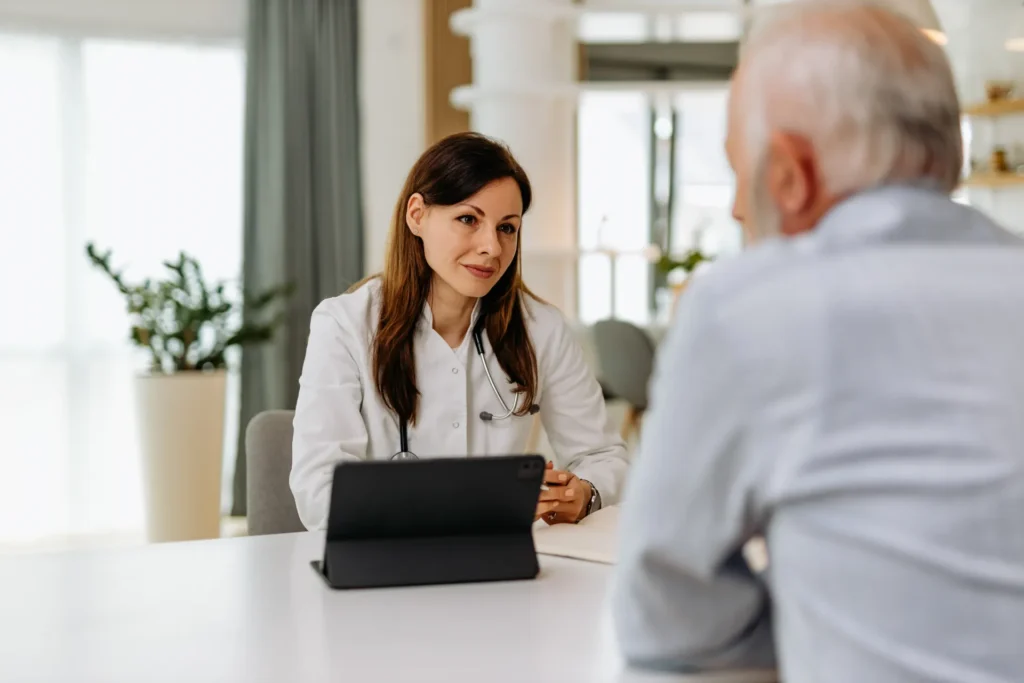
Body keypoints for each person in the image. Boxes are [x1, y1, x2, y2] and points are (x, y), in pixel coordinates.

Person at [613, 1, 1024, 681]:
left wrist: (823, 623)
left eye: (739, 172)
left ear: (789, 174)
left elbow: (664, 612)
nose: (739, 208)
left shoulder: (747, 308)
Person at [290, 132, 628, 530]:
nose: (492, 247)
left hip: (502, 567)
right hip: (388, 569)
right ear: (417, 215)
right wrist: (439, 510)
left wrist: (582, 494)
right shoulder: (344, 325)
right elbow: (319, 492)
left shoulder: (542, 328)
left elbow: (605, 456)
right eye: (469, 219)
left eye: (507, 228)